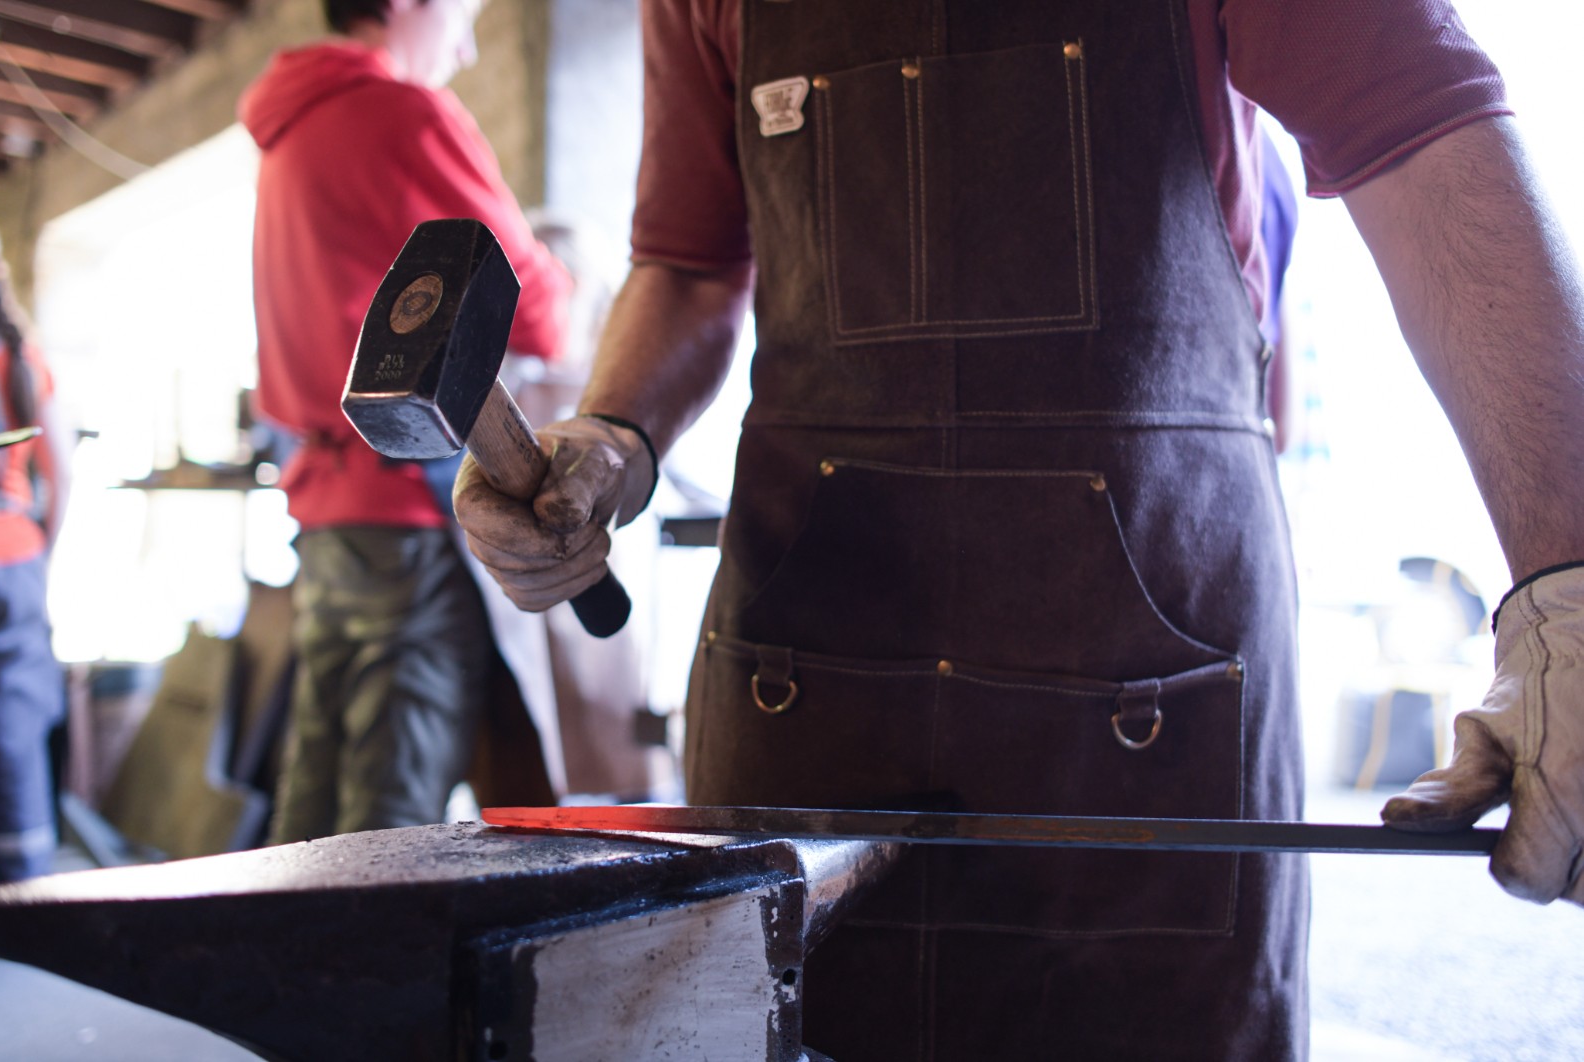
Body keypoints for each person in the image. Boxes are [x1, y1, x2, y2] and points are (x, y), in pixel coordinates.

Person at [454, 2, 1584, 1059]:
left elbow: (1422, 127)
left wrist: (1564, 587)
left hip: (1149, 675)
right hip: (810, 667)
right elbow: (692, 263)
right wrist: (613, 430)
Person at [239, 0, 573, 842]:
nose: (463, 49)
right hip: (409, 514)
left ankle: (275, 970)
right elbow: (532, 313)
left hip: (325, 510)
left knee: (312, 803)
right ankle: (360, 975)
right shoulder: (400, 112)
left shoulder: (288, 132)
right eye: (461, 16)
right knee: (388, 829)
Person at [0, 218, 72, 883]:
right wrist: (41, 559)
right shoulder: (17, 354)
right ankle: (26, 900)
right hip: (14, 558)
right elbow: (60, 472)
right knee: (13, 730)